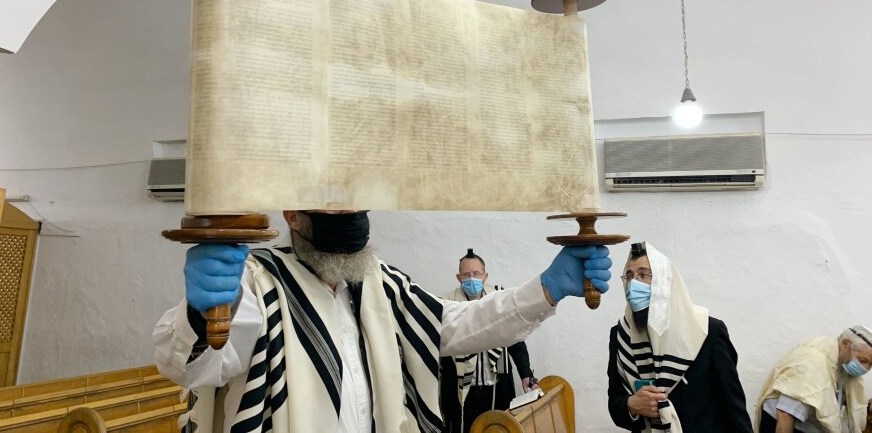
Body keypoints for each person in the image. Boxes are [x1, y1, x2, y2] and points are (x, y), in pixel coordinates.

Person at [154, 210, 612, 433]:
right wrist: (206, 309)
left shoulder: (377, 281)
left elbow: (454, 326)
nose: (351, 216)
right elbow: (197, 366)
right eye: (335, 203)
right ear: (294, 214)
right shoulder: (256, 282)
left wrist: (545, 290)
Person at [606, 241, 753, 432]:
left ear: (664, 281)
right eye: (629, 276)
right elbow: (615, 403)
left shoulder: (707, 331)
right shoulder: (620, 335)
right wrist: (631, 405)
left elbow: (734, 407)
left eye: (643, 275)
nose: (634, 284)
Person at [439, 248, 539, 433]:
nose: (471, 278)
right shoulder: (447, 304)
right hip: (461, 391)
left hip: (497, 387)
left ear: (485, 276)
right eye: (466, 274)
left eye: (476, 273)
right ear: (458, 277)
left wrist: (526, 374)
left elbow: (515, 339)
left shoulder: (499, 299)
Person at [754, 325, 872, 433]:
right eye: (862, 360)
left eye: (870, 364)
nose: (865, 369)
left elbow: (834, 398)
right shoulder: (812, 363)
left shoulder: (840, 361)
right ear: (845, 344)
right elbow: (785, 414)